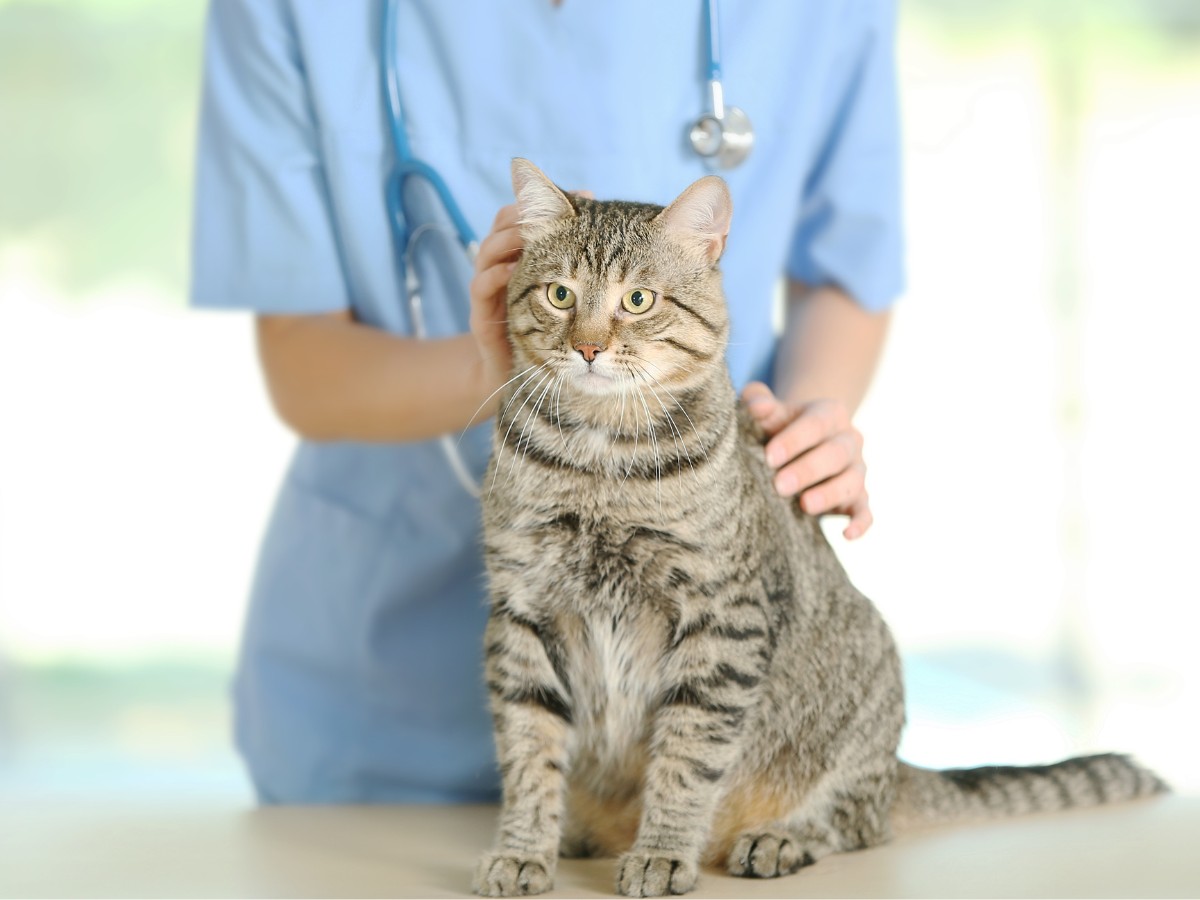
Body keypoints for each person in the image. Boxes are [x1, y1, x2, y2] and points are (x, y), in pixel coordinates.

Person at [191, 0, 903, 803]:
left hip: (705, 703)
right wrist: (497, 367)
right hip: (380, 703)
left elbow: (847, 271)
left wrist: (798, 427)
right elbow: (302, 361)